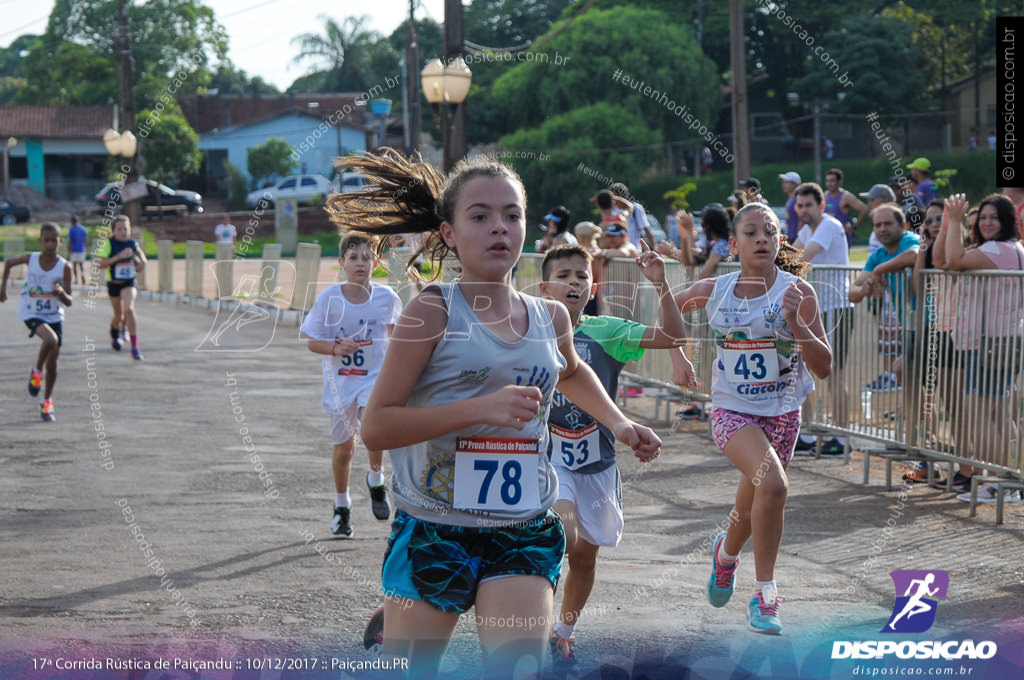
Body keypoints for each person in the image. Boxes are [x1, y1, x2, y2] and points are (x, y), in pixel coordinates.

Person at [328, 151, 662, 678]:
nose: (498, 228)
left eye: (511, 215)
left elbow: (570, 371)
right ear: (450, 232)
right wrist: (479, 409)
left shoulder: (550, 315)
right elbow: (378, 425)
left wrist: (619, 422)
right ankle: (398, 618)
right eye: (479, 216)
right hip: (436, 526)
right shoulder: (433, 310)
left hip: (521, 525)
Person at [671, 203, 832, 635]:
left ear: (780, 241)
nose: (761, 238)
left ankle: (724, 557)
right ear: (732, 244)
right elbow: (669, 309)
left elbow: (824, 366)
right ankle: (766, 596)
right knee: (775, 486)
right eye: (750, 232)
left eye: (769, 232)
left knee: (750, 505)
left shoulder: (797, 292)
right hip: (732, 412)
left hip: (782, 416)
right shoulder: (716, 289)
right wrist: (676, 355)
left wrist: (798, 325)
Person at [540, 243, 689, 673]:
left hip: (598, 465)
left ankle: (562, 634)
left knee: (584, 558)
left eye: (580, 276)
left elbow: (672, 337)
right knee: (559, 536)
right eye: (563, 275)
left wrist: (661, 285)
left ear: (592, 287)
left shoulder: (606, 331)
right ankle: (528, 617)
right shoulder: (530, 330)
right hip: (551, 460)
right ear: (544, 286)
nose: (573, 282)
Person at [300, 233, 403, 537]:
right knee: (345, 448)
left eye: (367, 257)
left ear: (376, 262)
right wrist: (335, 348)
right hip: (341, 383)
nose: (361, 263)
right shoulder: (329, 299)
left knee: (374, 432)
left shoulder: (387, 298)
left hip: (375, 379)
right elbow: (312, 342)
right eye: (354, 257)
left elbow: (399, 339)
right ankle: (341, 506)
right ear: (342, 262)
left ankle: (376, 477)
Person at [942, 194, 1024, 504]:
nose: (987, 222)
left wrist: (953, 220)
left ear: (1006, 221)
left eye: (994, 217)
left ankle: (997, 480)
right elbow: (945, 260)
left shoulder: (998, 250)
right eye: (983, 217)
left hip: (990, 343)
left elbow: (953, 262)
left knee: (979, 414)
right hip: (1006, 340)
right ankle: (1011, 480)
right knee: (1001, 414)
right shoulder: (1014, 249)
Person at [791, 182, 852, 455]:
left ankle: (842, 439)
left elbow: (800, 258)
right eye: (800, 205)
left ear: (822, 206)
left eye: (809, 205)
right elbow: (789, 257)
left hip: (837, 306)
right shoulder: (806, 229)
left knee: (835, 373)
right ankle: (806, 433)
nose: (804, 210)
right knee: (804, 370)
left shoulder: (829, 224)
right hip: (816, 310)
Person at [0, 223, 73, 421]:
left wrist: (61, 293)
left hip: (54, 315)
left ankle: (47, 401)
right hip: (31, 312)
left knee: (53, 365)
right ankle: (36, 371)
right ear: (40, 241)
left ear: (60, 241)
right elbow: (8, 264)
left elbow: (69, 301)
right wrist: (3, 288)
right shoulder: (31, 259)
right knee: (50, 340)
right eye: (46, 240)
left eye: (54, 240)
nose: (50, 244)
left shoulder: (64, 267)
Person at [848, 204, 921, 393]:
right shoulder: (878, 255)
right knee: (908, 380)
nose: (882, 229)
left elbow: (914, 254)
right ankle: (917, 421)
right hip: (911, 326)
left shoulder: (908, 239)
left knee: (936, 388)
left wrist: (880, 270)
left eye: (887, 224)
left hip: (932, 325)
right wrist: (865, 289)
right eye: (877, 225)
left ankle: (922, 420)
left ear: (903, 225)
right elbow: (852, 293)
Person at [96, 216, 146, 360]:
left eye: (126, 229)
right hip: (114, 284)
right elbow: (101, 264)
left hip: (129, 282)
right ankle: (114, 331)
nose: (123, 232)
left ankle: (135, 347)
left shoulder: (131, 243)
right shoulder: (109, 243)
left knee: (129, 309)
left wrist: (143, 261)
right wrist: (118, 257)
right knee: (119, 316)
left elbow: (139, 253)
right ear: (114, 231)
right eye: (120, 229)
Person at [823, 168, 868, 247]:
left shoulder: (846, 197)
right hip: (827, 237)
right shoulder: (825, 195)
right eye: (827, 180)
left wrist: (854, 227)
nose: (829, 183)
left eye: (832, 180)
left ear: (839, 182)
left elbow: (864, 209)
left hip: (842, 238)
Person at [608, 182, 655, 248]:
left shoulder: (636, 209)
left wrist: (655, 248)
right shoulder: (611, 209)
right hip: (617, 251)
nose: (612, 199)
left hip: (634, 250)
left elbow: (646, 229)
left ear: (621, 195)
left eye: (614, 196)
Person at [573, 221, 603, 316]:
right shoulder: (596, 251)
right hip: (587, 289)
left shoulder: (594, 252)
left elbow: (592, 274)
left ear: (581, 237)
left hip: (589, 290)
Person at [859, 185, 896, 257]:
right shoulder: (878, 230)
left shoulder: (894, 229)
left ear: (885, 202)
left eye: (872, 200)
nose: (869, 204)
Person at [779, 172, 801, 242]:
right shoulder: (791, 199)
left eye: (786, 182)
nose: (783, 185)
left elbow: (802, 219)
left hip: (796, 238)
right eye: (783, 182)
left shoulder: (798, 199)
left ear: (794, 184)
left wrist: (799, 238)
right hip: (790, 237)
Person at [68, 215, 88, 285]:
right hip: (81, 249)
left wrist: (69, 250)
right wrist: (84, 247)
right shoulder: (83, 228)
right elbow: (85, 239)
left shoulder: (72, 229)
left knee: (74, 265)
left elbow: (71, 241)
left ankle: (76, 279)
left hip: (74, 250)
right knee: (81, 265)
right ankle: (83, 277)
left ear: (72, 222)